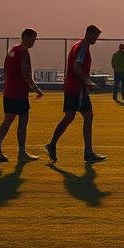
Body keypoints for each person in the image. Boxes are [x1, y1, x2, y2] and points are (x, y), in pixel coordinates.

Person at [46, 25, 107, 163]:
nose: (96, 40)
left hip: (76, 88)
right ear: (89, 34)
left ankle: (88, 152)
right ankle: (53, 144)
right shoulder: (82, 47)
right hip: (76, 89)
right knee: (70, 117)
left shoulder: (77, 45)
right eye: (95, 37)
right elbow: (76, 67)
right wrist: (88, 82)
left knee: (87, 116)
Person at [0, 28, 44, 163]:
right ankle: (21, 153)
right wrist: (36, 89)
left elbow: (7, 70)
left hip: (8, 92)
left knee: (8, 119)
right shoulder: (23, 52)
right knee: (23, 121)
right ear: (25, 37)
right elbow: (26, 74)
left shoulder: (12, 50)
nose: (34, 42)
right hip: (19, 94)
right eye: (33, 38)